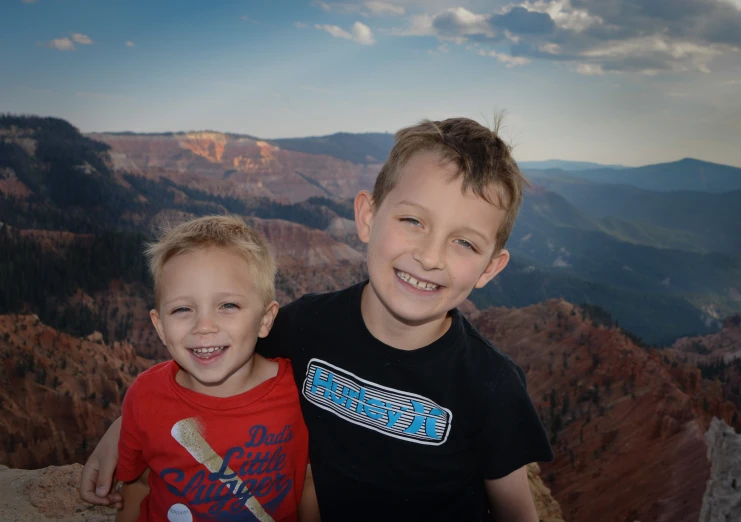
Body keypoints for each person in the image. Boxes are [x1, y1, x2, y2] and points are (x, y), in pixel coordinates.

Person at [80, 117, 554, 521]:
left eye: (465, 242)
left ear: (491, 267)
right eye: (413, 221)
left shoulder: (490, 384)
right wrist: (122, 429)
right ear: (367, 217)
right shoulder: (307, 326)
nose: (430, 257)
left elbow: (516, 512)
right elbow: (213, 353)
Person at [111, 215, 316, 522]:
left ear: (264, 319)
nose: (204, 326)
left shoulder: (298, 393)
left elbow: (308, 483)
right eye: (182, 309)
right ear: (160, 326)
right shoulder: (144, 397)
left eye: (228, 306)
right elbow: (136, 485)